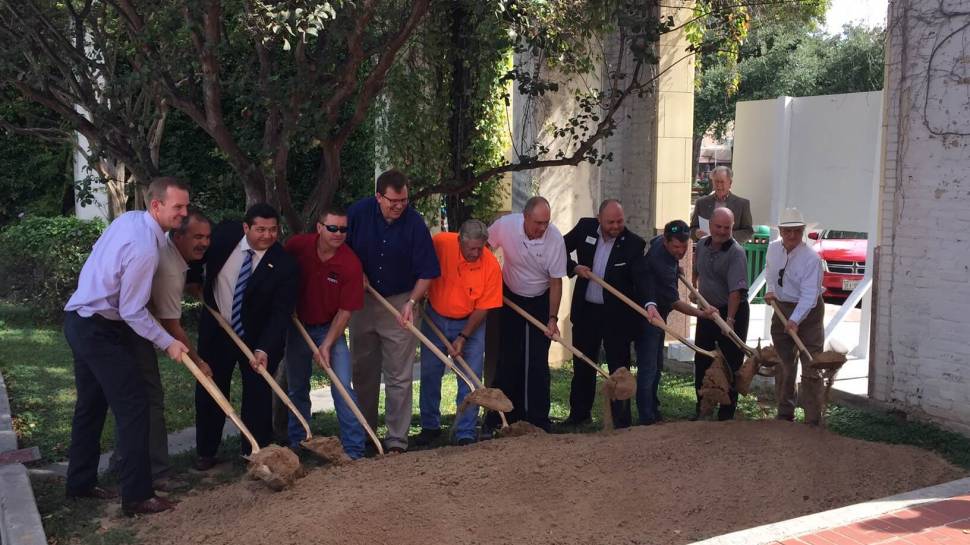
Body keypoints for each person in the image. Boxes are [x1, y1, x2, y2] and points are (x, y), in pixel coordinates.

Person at [63, 177, 190, 516]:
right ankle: (137, 495)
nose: (184, 213)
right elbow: (132, 310)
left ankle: (79, 484)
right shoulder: (144, 247)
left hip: (80, 319)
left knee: (90, 406)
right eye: (178, 207)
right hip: (97, 328)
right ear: (156, 206)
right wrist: (168, 343)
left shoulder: (130, 220)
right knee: (135, 405)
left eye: (186, 206)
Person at [107, 210, 212, 490]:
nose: (204, 242)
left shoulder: (169, 253)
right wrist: (198, 361)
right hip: (131, 330)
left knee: (132, 400)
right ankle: (157, 471)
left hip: (122, 325)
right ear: (177, 237)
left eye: (207, 237)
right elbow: (171, 326)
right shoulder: (168, 268)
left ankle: (122, 461)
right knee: (149, 399)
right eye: (197, 237)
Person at [193, 203, 298, 470]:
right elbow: (195, 257)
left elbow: (280, 314)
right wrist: (193, 282)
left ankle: (253, 450)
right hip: (218, 329)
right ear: (245, 228)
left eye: (273, 229)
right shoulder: (223, 237)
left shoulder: (284, 264)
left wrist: (264, 348)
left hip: (258, 336)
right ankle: (206, 450)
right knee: (211, 388)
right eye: (260, 229)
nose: (267, 235)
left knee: (258, 392)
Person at [346, 170, 440, 453]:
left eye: (404, 200)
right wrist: (355, 271)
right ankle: (365, 436)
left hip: (400, 302)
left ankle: (397, 439)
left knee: (399, 375)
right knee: (363, 371)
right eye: (393, 201)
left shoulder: (414, 223)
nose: (399, 206)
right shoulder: (359, 213)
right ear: (378, 197)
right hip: (362, 302)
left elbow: (428, 272)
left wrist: (411, 303)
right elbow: (340, 248)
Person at [284, 208, 367, 459]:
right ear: (320, 227)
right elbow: (279, 272)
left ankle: (354, 449)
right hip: (297, 326)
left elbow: (345, 311)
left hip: (330, 328)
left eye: (343, 229)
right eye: (333, 228)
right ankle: (298, 443)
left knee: (342, 386)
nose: (338, 234)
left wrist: (327, 345)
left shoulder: (350, 263)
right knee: (297, 387)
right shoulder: (297, 246)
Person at [483, 196, 567, 433]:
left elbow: (556, 282)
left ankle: (538, 419)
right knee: (509, 358)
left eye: (546, 223)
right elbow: (485, 247)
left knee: (537, 360)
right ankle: (501, 417)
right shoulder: (506, 226)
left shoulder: (554, 239)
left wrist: (552, 318)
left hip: (540, 298)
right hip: (509, 296)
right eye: (538, 222)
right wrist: (489, 282)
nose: (543, 228)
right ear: (525, 217)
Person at [415, 220, 502, 446]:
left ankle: (464, 431)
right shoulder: (442, 243)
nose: (475, 253)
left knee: (470, 378)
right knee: (430, 373)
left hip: (470, 322)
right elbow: (423, 264)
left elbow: (484, 307)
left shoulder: (491, 266)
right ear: (459, 241)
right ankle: (430, 427)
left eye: (479, 248)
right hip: (434, 317)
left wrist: (463, 336)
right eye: (470, 248)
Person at [561, 199, 646, 429]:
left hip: (616, 318)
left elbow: (642, 282)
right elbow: (557, 248)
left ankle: (620, 420)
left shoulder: (634, 245)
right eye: (610, 222)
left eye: (619, 221)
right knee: (583, 365)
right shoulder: (584, 228)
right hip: (586, 312)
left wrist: (650, 305)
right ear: (599, 219)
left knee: (619, 367)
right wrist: (574, 267)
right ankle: (579, 415)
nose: (616, 226)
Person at [633, 220, 715, 425]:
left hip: (660, 312)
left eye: (684, 247)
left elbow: (654, 240)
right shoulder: (660, 262)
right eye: (676, 247)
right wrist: (702, 313)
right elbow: (676, 303)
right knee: (649, 366)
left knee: (657, 364)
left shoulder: (661, 242)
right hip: (649, 315)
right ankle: (647, 416)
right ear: (667, 242)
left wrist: (676, 265)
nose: (680, 251)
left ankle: (653, 408)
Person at [764, 207, 824, 425]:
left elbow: (809, 296)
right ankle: (784, 413)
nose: (791, 236)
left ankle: (813, 419)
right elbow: (770, 273)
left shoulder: (811, 259)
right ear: (780, 230)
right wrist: (771, 291)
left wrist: (795, 320)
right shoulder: (772, 249)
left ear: (803, 231)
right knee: (784, 363)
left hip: (809, 312)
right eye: (787, 231)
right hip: (781, 307)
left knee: (811, 363)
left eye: (796, 231)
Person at [691, 207, 749, 420]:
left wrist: (730, 321)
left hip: (732, 311)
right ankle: (702, 408)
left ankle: (726, 413)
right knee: (702, 358)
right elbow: (696, 267)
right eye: (718, 226)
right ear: (711, 226)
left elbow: (735, 292)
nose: (722, 231)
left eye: (727, 227)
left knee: (730, 362)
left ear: (732, 228)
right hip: (707, 310)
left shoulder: (736, 253)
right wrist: (694, 287)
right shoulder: (703, 245)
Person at [690, 166, 754, 243]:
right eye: (716, 181)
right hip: (707, 250)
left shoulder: (742, 204)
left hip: (731, 251)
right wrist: (696, 233)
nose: (719, 185)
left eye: (722, 182)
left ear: (730, 183)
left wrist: (729, 236)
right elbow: (692, 230)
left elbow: (748, 232)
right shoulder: (701, 203)